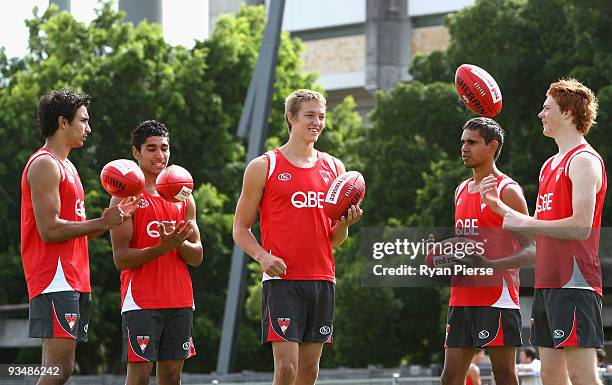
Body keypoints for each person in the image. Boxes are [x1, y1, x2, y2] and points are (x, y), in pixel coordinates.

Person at [480, 78, 606, 385]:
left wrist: (522, 221)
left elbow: (580, 227)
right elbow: (539, 230)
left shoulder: (584, 161)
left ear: (567, 113)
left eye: (547, 107)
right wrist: (502, 211)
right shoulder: (549, 165)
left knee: (582, 376)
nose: (541, 114)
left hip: (575, 281)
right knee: (550, 376)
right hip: (547, 282)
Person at [233, 89, 362, 385]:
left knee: (309, 372)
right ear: (291, 118)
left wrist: (344, 225)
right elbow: (240, 228)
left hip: (322, 278)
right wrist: (263, 257)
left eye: (321, 116)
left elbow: (334, 239)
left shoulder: (335, 169)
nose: (316, 122)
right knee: (288, 369)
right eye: (309, 116)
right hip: (283, 282)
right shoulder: (264, 166)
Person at [21, 89, 139, 385]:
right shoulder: (45, 163)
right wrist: (103, 221)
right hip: (54, 274)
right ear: (63, 122)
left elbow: (75, 227)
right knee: (59, 369)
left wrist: (113, 220)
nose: (89, 128)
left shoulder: (68, 166)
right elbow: (50, 231)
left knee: (60, 367)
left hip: (73, 274)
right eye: (83, 121)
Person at [109, 120, 203, 385]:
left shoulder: (184, 194)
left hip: (180, 300)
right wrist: (162, 247)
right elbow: (121, 258)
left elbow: (197, 256)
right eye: (151, 148)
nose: (160, 155)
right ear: (136, 153)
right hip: (141, 301)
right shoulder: (125, 196)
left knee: (172, 376)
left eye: (164, 148)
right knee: (139, 376)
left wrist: (176, 243)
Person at [440, 117, 530, 385]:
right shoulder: (460, 190)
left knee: (504, 376)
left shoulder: (508, 190)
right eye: (462, 142)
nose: (464, 148)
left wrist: (490, 264)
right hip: (461, 297)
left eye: (472, 142)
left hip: (497, 299)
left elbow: (534, 250)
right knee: (450, 378)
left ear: (492, 146)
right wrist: (442, 253)